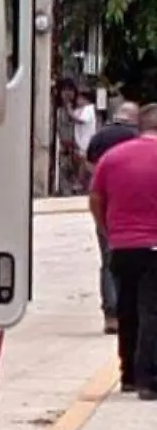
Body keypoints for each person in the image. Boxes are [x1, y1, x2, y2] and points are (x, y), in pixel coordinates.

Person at [91, 103, 157, 399]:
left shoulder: (112, 158)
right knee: (152, 310)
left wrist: (107, 230)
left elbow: (95, 198)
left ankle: (128, 374)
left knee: (127, 310)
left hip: (123, 246)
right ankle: (148, 378)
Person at [89, 101, 142, 333]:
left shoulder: (100, 137)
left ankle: (111, 315)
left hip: (107, 206)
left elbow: (89, 165)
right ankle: (133, 310)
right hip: (135, 208)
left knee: (108, 262)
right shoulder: (138, 138)